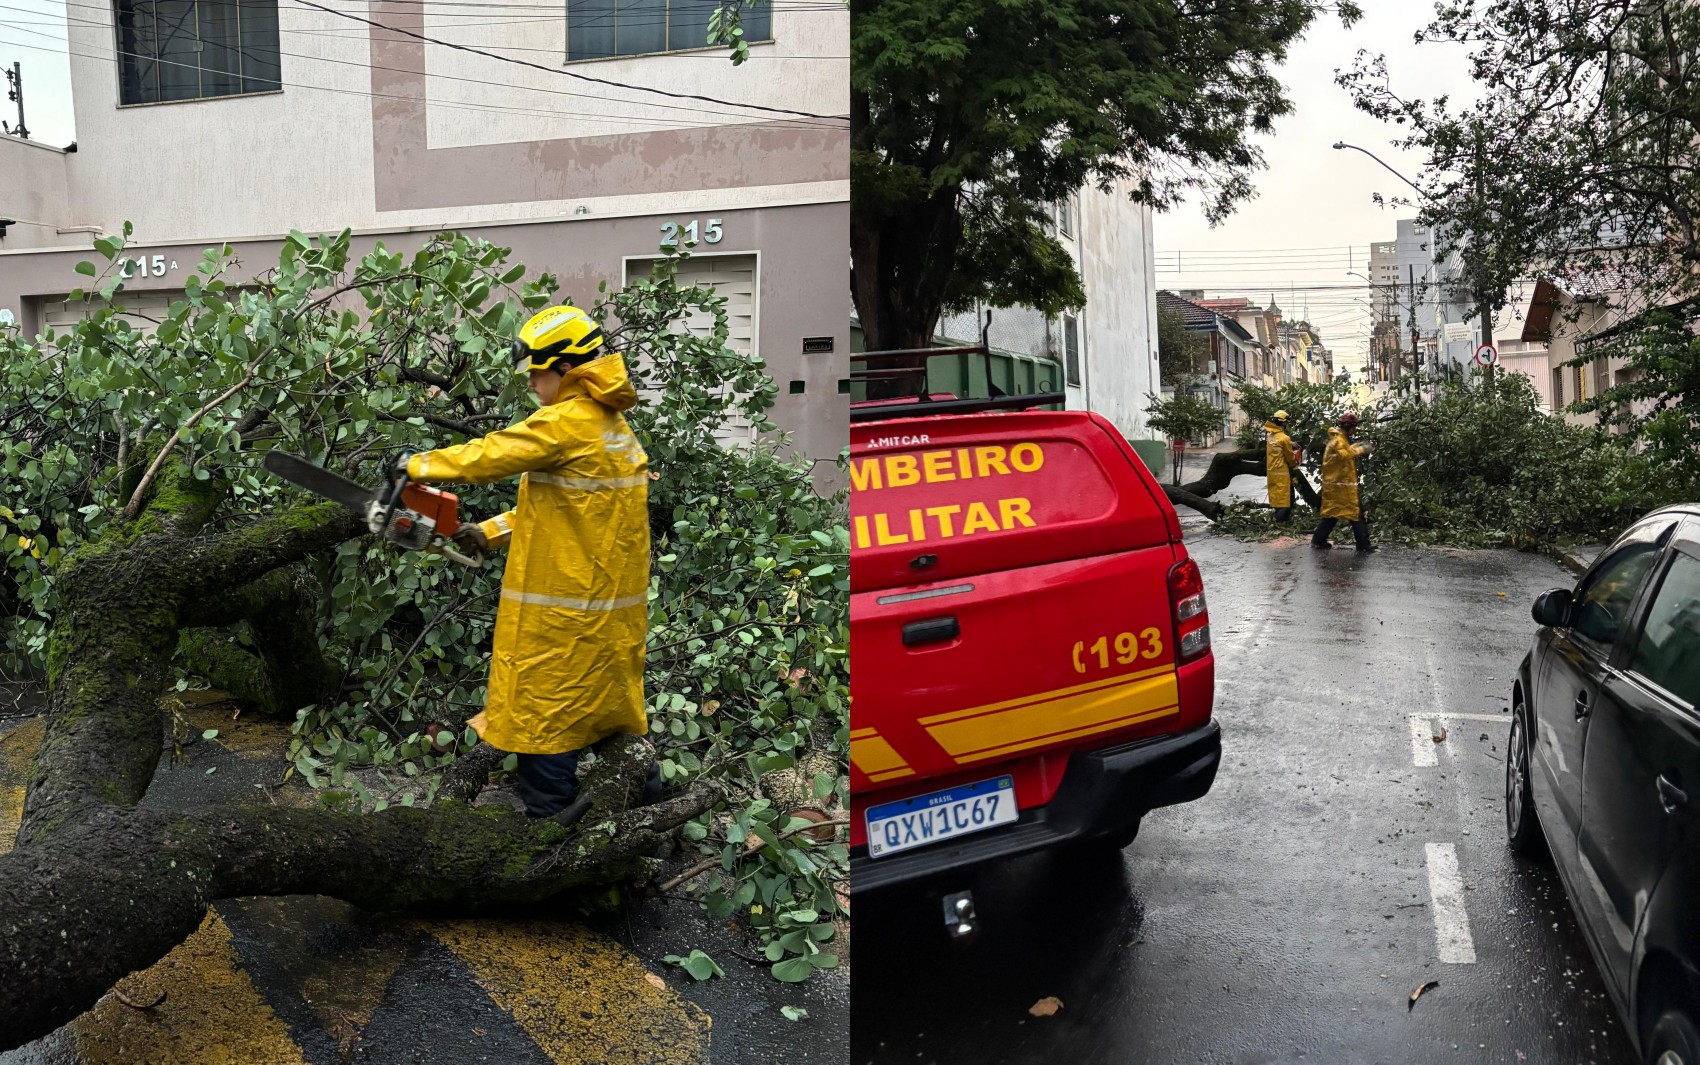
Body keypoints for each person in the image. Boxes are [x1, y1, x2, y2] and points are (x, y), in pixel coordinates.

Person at [399, 304, 659, 817]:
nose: (532, 384)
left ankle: (551, 849)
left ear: (564, 368)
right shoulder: (612, 427)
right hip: (609, 622)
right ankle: (642, 816)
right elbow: (565, 508)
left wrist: (413, 464)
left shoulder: (565, 423)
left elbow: (490, 455)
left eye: (536, 372)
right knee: (610, 718)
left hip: (564, 623)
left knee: (546, 725)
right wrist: (490, 532)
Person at [1310, 411, 1375, 553]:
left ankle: (1318, 540)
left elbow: (1344, 452)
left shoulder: (1339, 440)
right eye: (1354, 428)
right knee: (1356, 514)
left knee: (1332, 515)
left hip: (1338, 486)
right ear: (1349, 428)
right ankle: (1363, 546)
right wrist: (1362, 449)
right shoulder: (1338, 441)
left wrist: (1356, 445)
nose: (1355, 431)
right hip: (1340, 487)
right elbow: (1345, 455)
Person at [1264, 410, 1299, 523]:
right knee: (1285, 500)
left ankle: (1279, 521)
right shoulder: (1285, 439)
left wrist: (1290, 443)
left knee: (1276, 498)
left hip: (1271, 473)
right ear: (1284, 423)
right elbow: (1290, 458)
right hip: (1282, 474)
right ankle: (1280, 523)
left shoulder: (1269, 437)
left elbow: (1278, 443)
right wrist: (1296, 461)